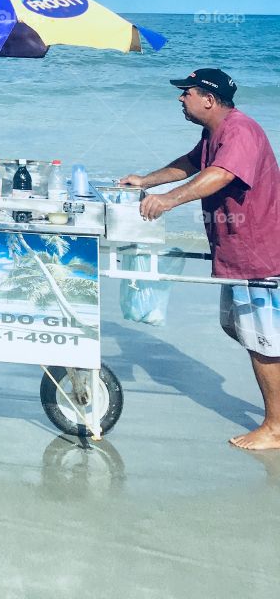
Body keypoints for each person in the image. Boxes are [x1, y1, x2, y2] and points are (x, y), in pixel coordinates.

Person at [120, 67, 280, 450]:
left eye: (186, 92)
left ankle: (275, 427)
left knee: (262, 339)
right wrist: (146, 181)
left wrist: (168, 201)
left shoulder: (240, 130)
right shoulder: (213, 133)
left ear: (208, 99)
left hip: (258, 252)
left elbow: (221, 174)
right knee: (240, 328)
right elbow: (192, 165)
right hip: (237, 250)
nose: (180, 98)